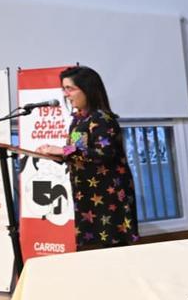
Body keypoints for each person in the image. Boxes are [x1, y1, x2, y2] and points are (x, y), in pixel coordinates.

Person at [36, 66, 139, 249]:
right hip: (87, 193)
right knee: (96, 246)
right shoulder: (78, 120)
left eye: (70, 88)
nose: (66, 94)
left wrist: (62, 150)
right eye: (64, 89)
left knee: (113, 246)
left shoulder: (101, 118)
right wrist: (54, 154)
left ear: (88, 89)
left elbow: (104, 154)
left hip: (108, 194)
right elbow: (78, 152)